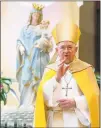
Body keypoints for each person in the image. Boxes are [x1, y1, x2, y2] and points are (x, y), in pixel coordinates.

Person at [34, 19, 99, 127]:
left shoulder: (86, 68)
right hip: (55, 121)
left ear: (76, 49)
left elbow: (94, 97)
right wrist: (57, 79)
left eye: (70, 47)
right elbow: (42, 97)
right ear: (57, 50)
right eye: (62, 47)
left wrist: (76, 102)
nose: (66, 51)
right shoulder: (50, 69)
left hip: (77, 121)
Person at [16, 3, 52, 107]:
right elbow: (19, 41)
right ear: (31, 15)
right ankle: (25, 104)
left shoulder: (43, 29)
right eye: (34, 14)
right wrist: (20, 47)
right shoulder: (24, 29)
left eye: (38, 15)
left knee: (39, 80)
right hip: (27, 58)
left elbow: (49, 44)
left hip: (39, 59)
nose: (36, 17)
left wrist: (42, 43)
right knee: (26, 79)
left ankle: (37, 104)